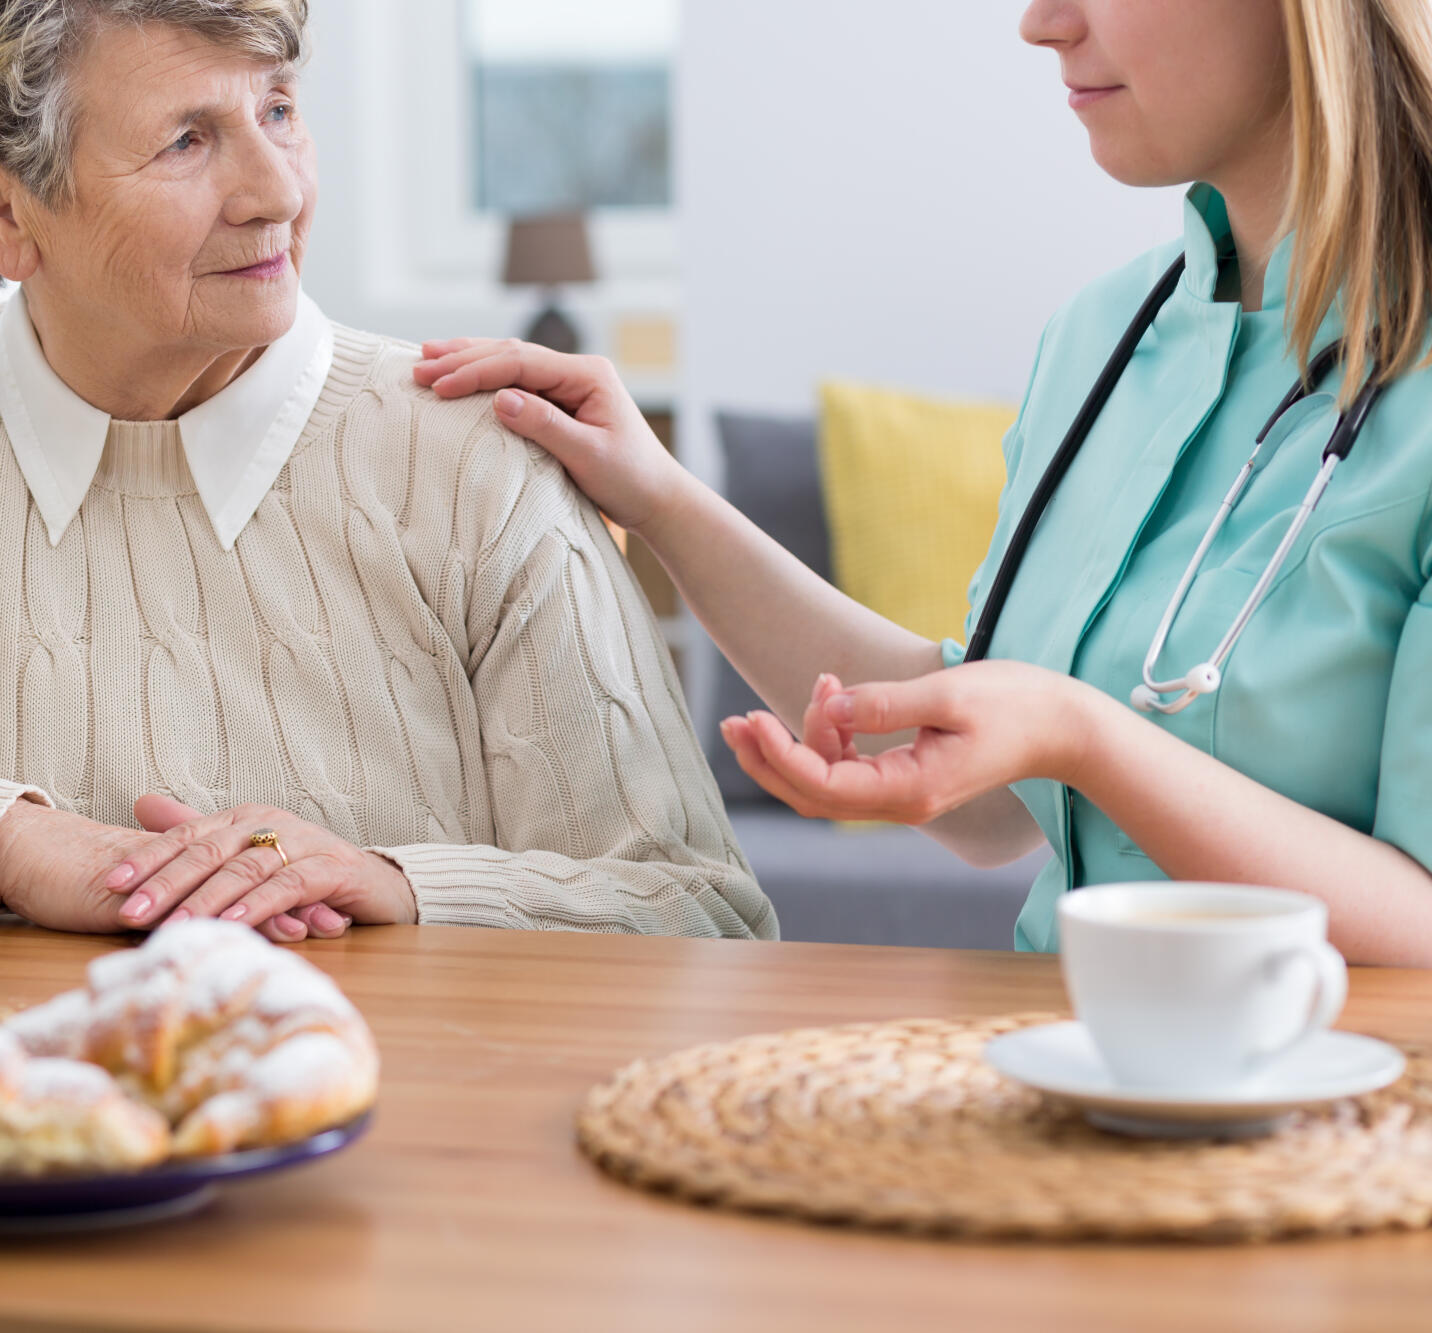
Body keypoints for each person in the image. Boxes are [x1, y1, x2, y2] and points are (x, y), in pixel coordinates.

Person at [0, 0, 771, 943]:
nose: (276, 188)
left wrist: (396, 883)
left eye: (278, 108)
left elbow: (698, 909)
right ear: (0, 209)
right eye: (188, 140)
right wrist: (17, 846)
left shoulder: (474, 456)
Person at [415, 0, 1432, 963]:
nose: (1039, 23)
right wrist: (659, 497)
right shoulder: (1106, 338)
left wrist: (1078, 733)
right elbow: (989, 805)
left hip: (1341, 1121)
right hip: (1066, 1070)